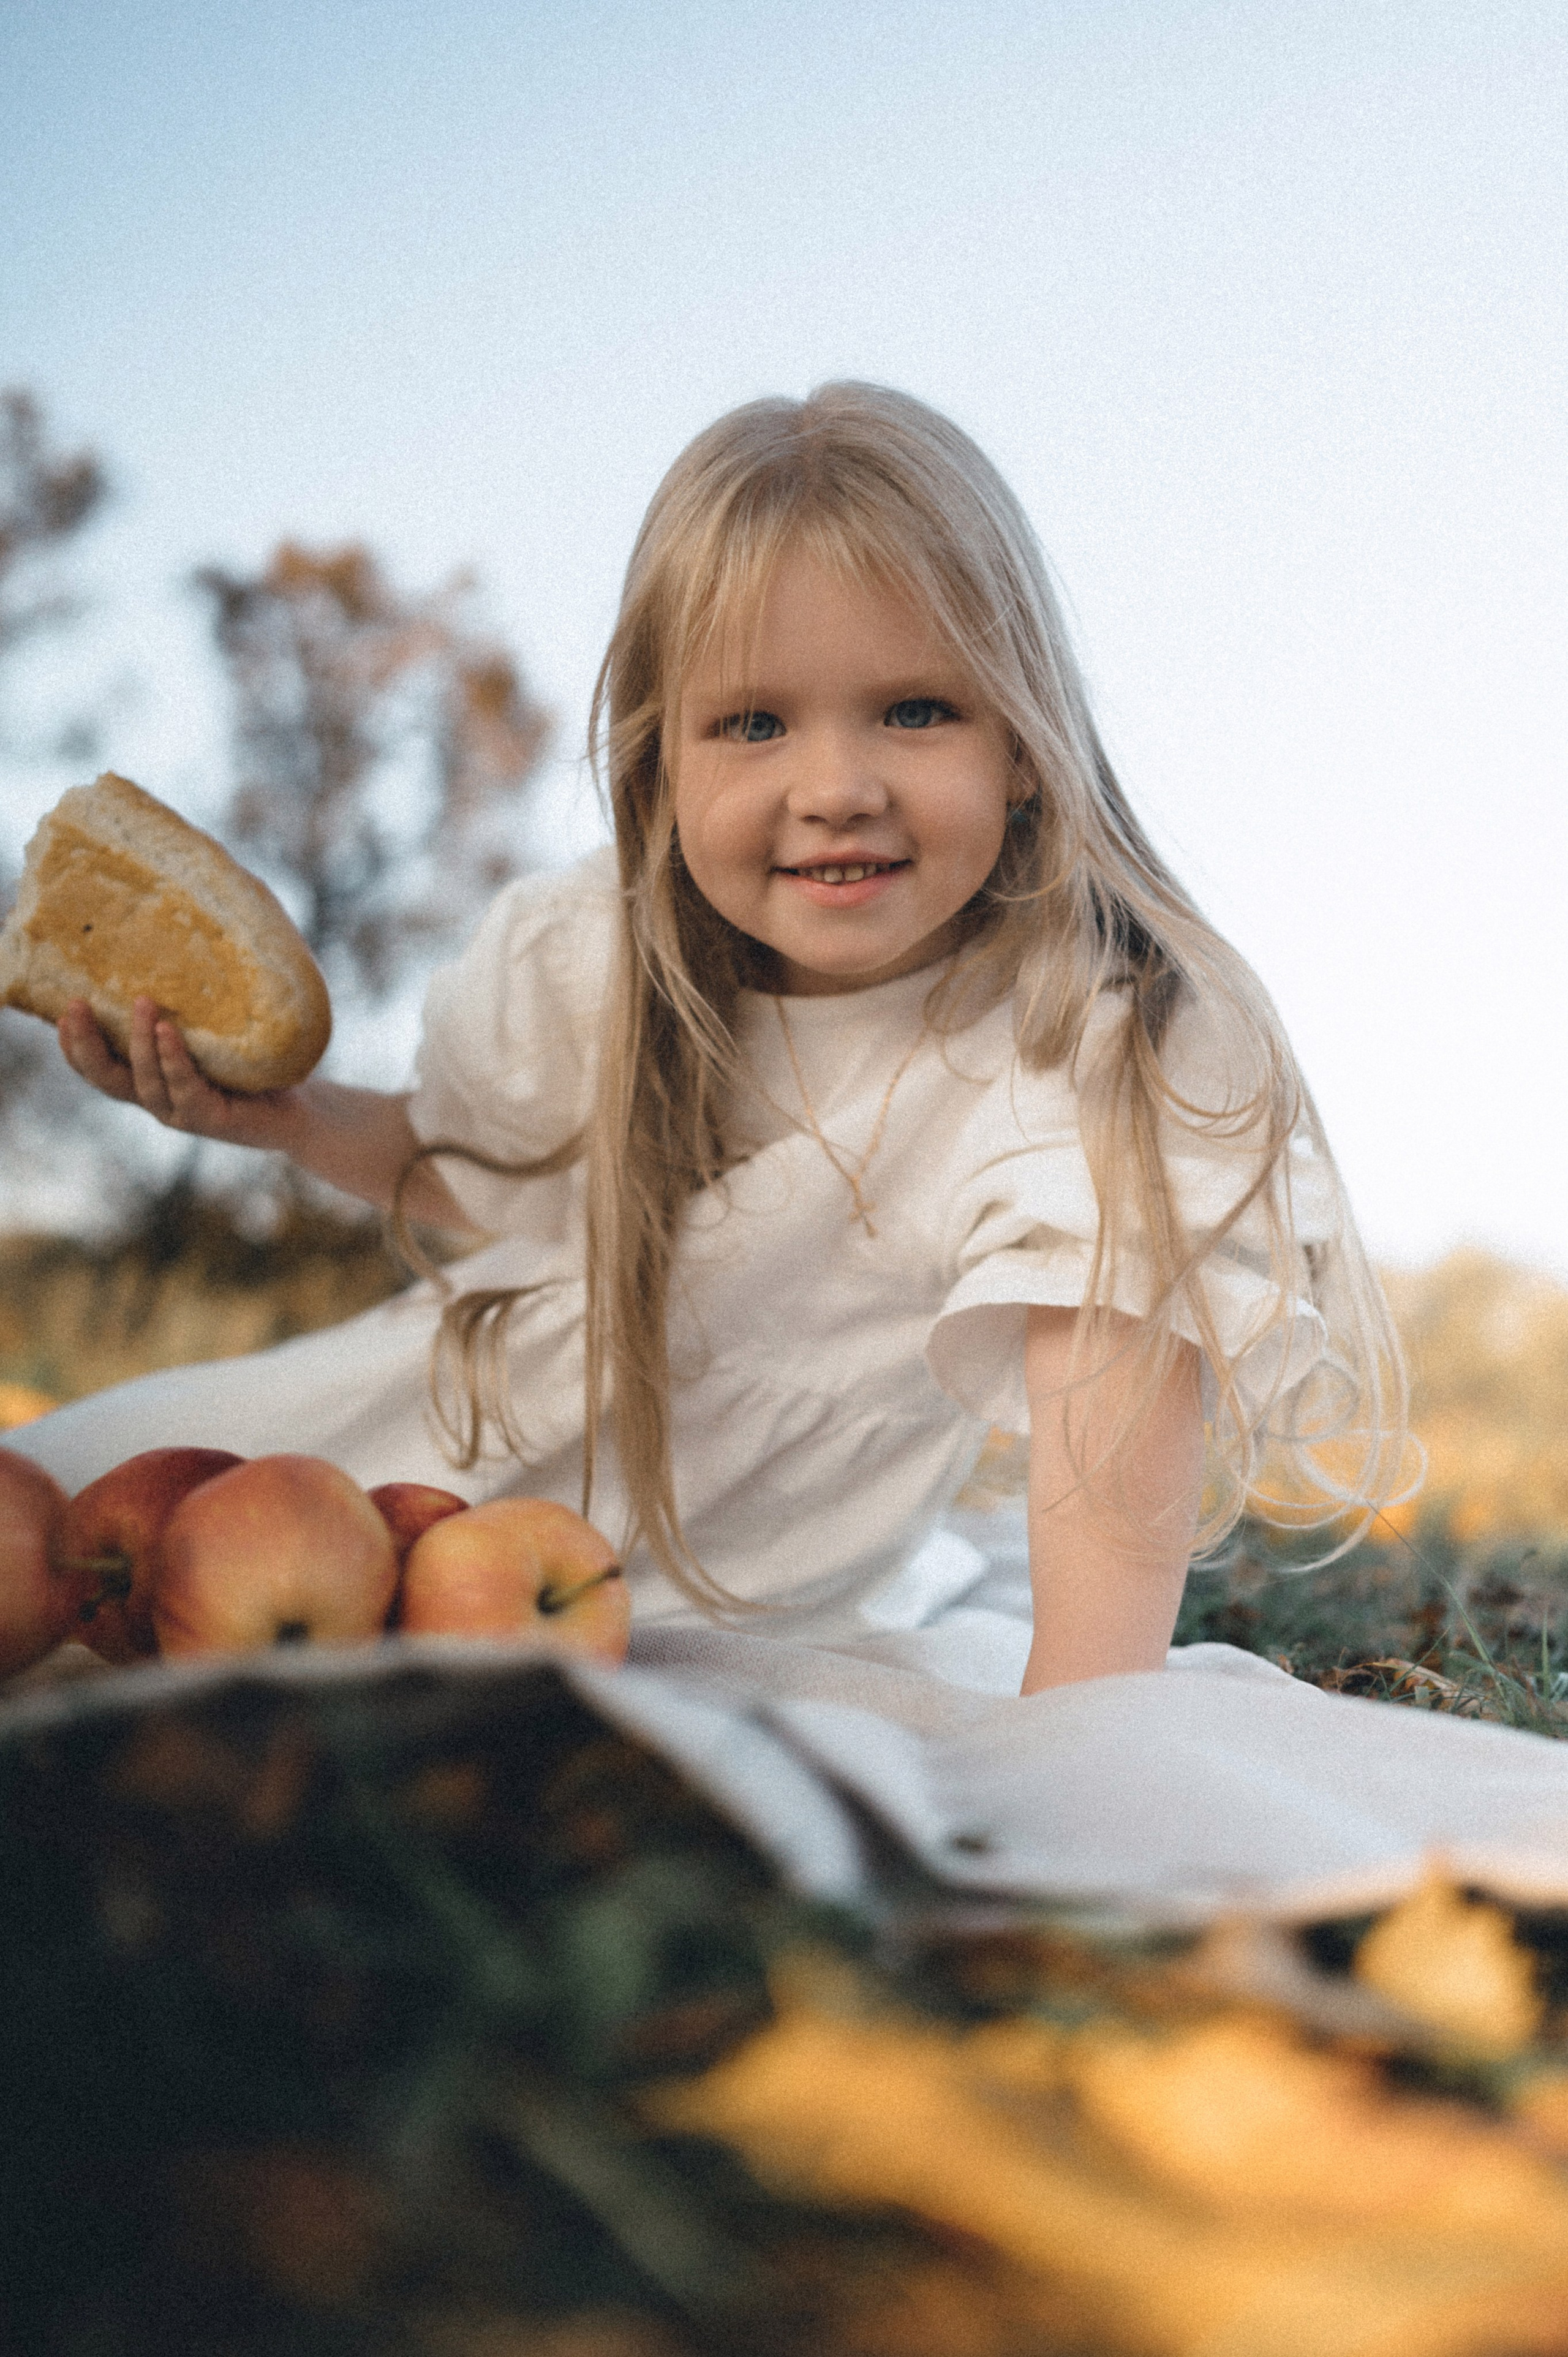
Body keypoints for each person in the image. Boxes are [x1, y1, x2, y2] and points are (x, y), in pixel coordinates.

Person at [32, 382, 1406, 1699]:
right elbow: (463, 1171)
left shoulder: (1082, 1042)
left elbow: (1110, 1400)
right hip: (388, 1460)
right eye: (753, 723)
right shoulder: (598, 959)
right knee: (49, 1535)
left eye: (915, 710)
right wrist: (288, 1118)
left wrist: (1081, 1721)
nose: (836, 787)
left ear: (1025, 743)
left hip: (725, 1594)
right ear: (661, 765)